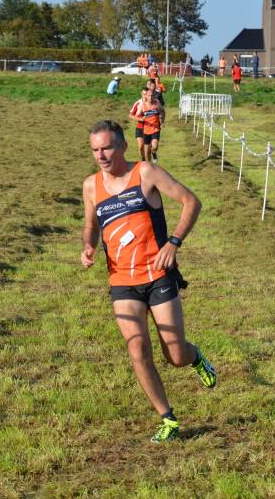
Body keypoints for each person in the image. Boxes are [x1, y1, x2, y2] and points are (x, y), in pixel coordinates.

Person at [81, 120, 216, 443]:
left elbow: (191, 202)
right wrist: (88, 245)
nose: (101, 156)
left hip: (157, 275)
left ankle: (194, 357)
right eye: (95, 150)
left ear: (123, 146)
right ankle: (168, 418)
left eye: (107, 148)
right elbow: (91, 226)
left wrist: (173, 243)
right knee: (137, 348)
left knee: (175, 355)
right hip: (122, 282)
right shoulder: (91, 186)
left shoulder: (146, 172)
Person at [134, 85, 165, 163]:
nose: (150, 97)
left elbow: (162, 111)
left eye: (152, 95)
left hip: (155, 128)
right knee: (146, 150)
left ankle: (154, 152)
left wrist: (162, 120)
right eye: (149, 95)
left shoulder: (157, 103)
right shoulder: (142, 105)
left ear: (154, 96)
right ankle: (148, 165)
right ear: (146, 96)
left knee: (154, 146)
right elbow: (136, 116)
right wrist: (141, 118)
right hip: (146, 130)